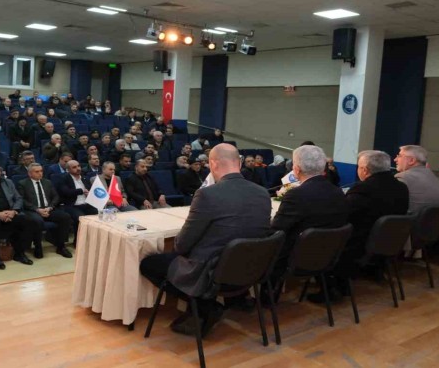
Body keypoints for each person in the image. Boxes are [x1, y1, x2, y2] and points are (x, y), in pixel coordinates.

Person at [139, 144, 271, 336]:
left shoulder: (208, 194)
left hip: (211, 274)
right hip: (250, 270)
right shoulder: (263, 193)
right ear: (240, 163)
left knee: (149, 264)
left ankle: (205, 306)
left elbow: (181, 245)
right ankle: (235, 299)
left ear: (213, 164)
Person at [327, 151, 410, 301]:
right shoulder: (402, 188)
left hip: (359, 244)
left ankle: (331, 287)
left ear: (364, 170)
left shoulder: (363, 189)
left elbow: (343, 216)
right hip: (389, 242)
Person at [271, 145, 349, 271]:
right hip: (328, 255)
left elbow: (276, 229)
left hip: (295, 258)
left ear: (296, 169)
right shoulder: (338, 192)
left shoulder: (296, 195)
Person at [16, 163, 73, 258]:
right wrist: (37, 209)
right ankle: (38, 246)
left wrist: (50, 207)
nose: (40, 173)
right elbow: (22, 200)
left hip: (48, 209)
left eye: (41, 171)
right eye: (37, 171)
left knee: (65, 217)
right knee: (37, 221)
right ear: (29, 173)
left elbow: (55, 196)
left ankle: (61, 246)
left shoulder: (47, 182)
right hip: (33, 210)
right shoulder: (22, 183)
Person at [56, 160, 97, 243]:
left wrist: (89, 193)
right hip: (72, 205)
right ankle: (78, 242)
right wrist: (81, 191)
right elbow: (66, 192)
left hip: (86, 204)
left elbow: (91, 190)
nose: (78, 168)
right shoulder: (63, 178)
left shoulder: (85, 178)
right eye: (74, 167)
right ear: (68, 170)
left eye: (78, 166)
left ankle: (92, 240)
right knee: (81, 218)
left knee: (96, 214)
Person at [394, 145, 439, 213]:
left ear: (411, 160)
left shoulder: (403, 177)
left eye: (400, 156)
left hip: (409, 219)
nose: (395, 159)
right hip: (432, 218)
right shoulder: (432, 176)